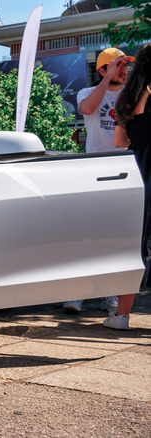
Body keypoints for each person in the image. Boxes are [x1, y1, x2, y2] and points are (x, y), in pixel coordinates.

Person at [62, 48, 134, 314]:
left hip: (126, 169)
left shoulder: (133, 93)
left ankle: (111, 294)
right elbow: (88, 108)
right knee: (86, 233)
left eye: (126, 65)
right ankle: (77, 293)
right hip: (93, 169)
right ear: (103, 70)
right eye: (118, 66)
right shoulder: (86, 92)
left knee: (118, 236)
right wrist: (107, 80)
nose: (124, 70)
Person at [110, 42, 151, 330]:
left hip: (140, 172)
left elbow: (120, 143)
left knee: (134, 245)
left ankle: (121, 316)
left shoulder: (129, 98)